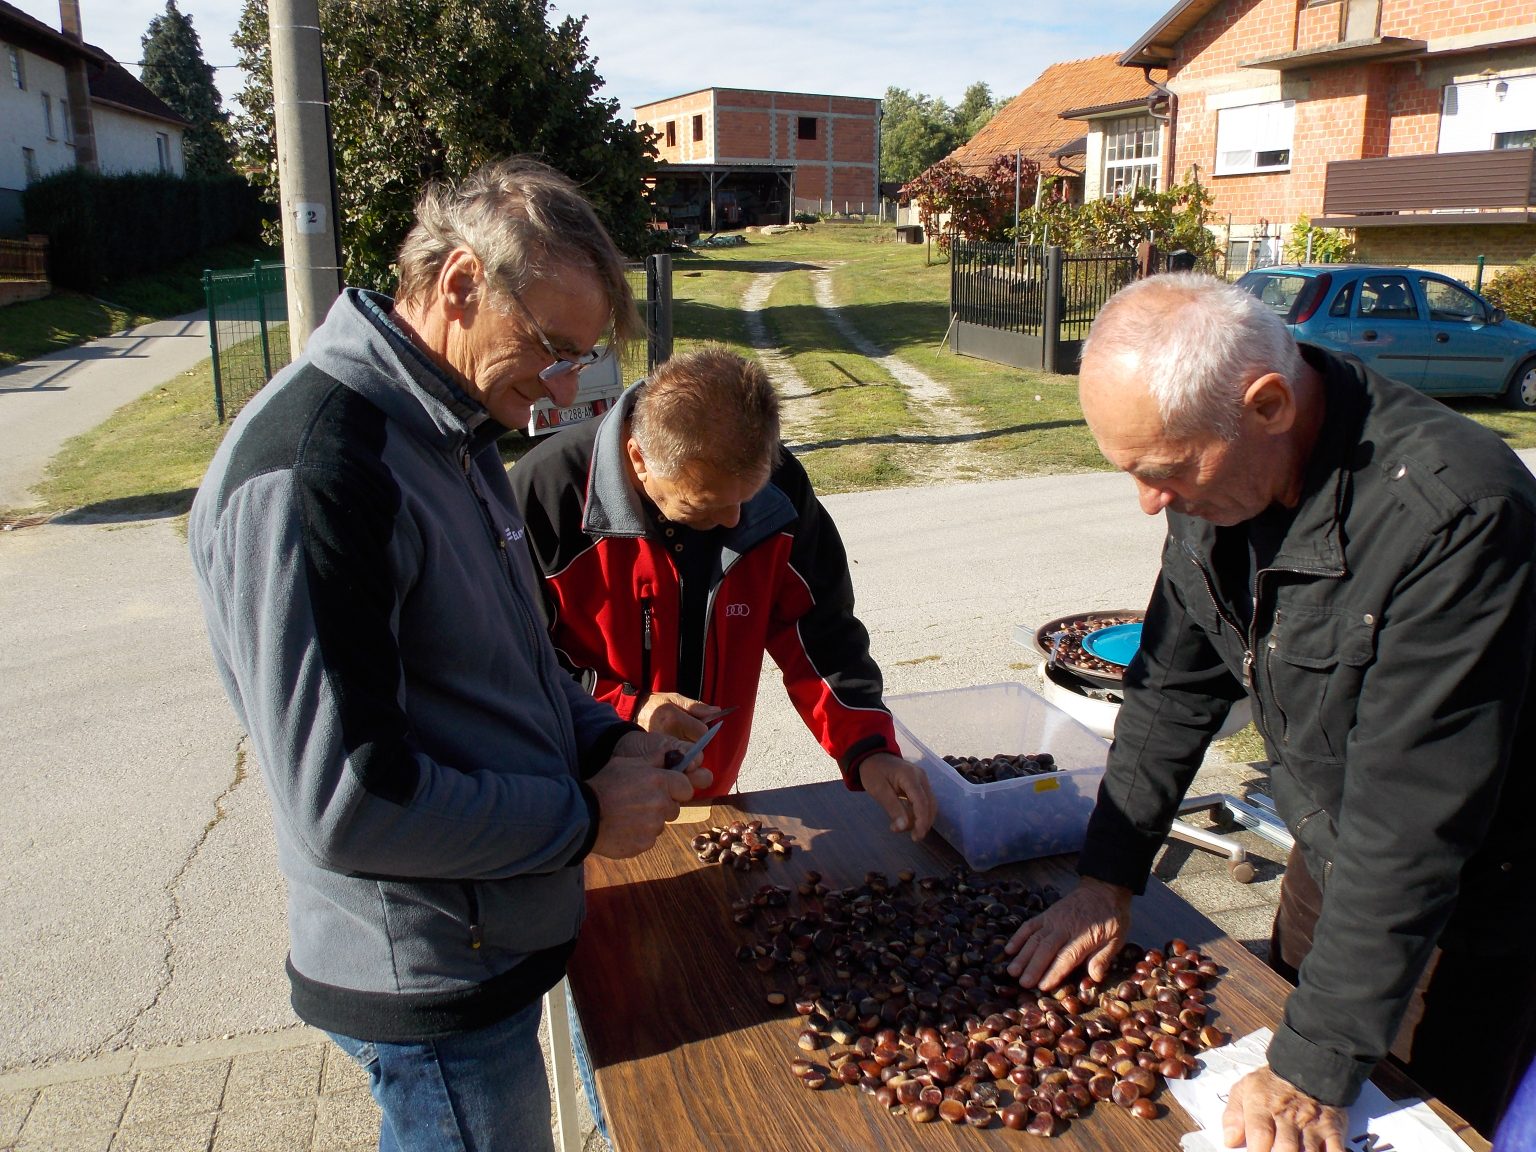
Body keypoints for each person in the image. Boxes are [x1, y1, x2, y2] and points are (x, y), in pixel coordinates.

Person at [187, 158, 709, 1152]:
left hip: (491, 937)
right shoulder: (324, 469)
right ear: (462, 282)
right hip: (433, 980)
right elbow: (353, 802)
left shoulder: (450, 426)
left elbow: (511, 665)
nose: (563, 389)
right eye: (553, 349)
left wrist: (606, 739)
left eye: (583, 360)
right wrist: (585, 818)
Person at [1004, 272, 1536, 1149]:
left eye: (1164, 471)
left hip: (1462, 912)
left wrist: (1315, 1062)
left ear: (1269, 405)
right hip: (1325, 855)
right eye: (1132, 471)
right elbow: (1171, 687)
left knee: (1403, 1113)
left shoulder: (1457, 514)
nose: (1149, 502)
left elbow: (1408, 826)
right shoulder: (1222, 473)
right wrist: (1107, 878)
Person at [509, 343, 935, 836]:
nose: (734, 520)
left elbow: (820, 631)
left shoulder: (777, 488)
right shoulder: (544, 495)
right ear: (639, 459)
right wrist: (633, 708)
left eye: (746, 499)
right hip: (585, 796)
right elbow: (515, 665)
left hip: (712, 793)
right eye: (704, 505)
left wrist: (869, 748)